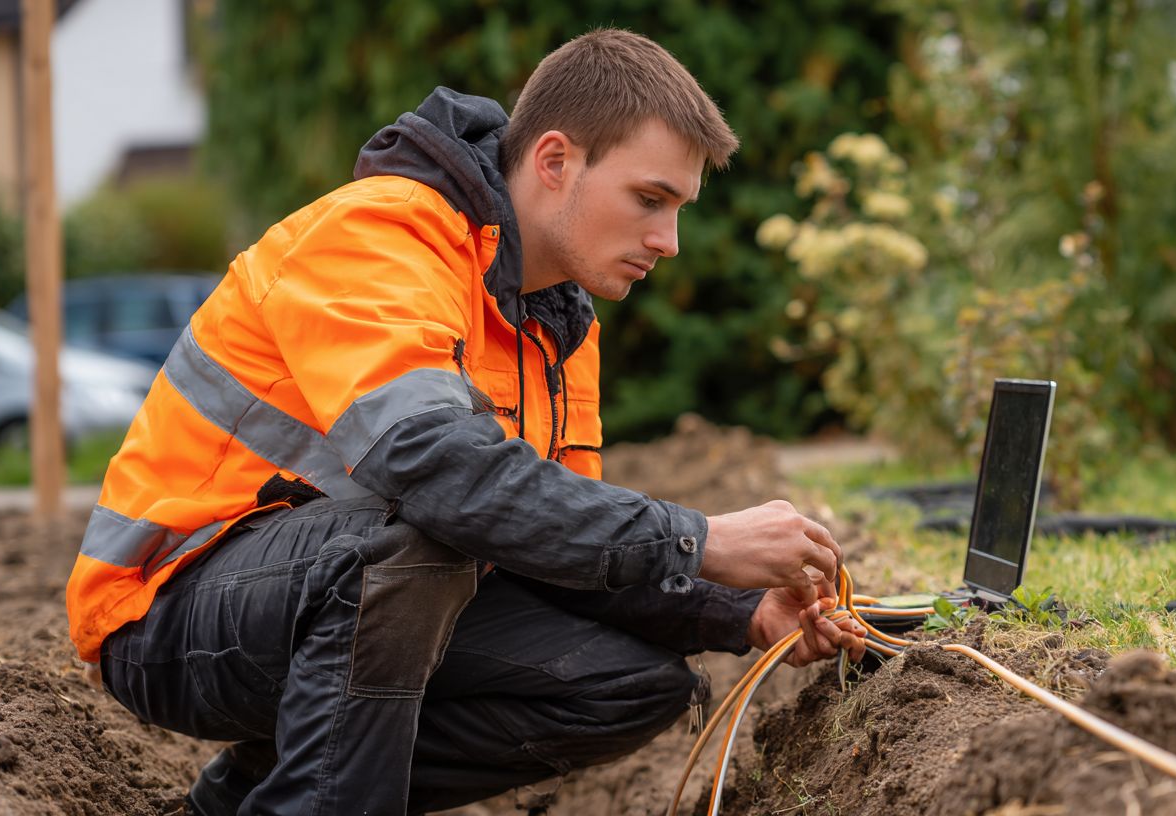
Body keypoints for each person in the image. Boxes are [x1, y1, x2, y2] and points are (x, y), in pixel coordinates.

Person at [65, 29, 866, 815]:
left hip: (347, 595)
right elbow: (431, 466)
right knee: (418, 538)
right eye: (649, 200)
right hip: (166, 611)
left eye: (679, 208)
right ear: (555, 161)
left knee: (629, 685)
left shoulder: (559, 325)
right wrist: (701, 538)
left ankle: (250, 800)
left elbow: (557, 546)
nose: (669, 240)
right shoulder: (381, 235)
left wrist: (741, 613)